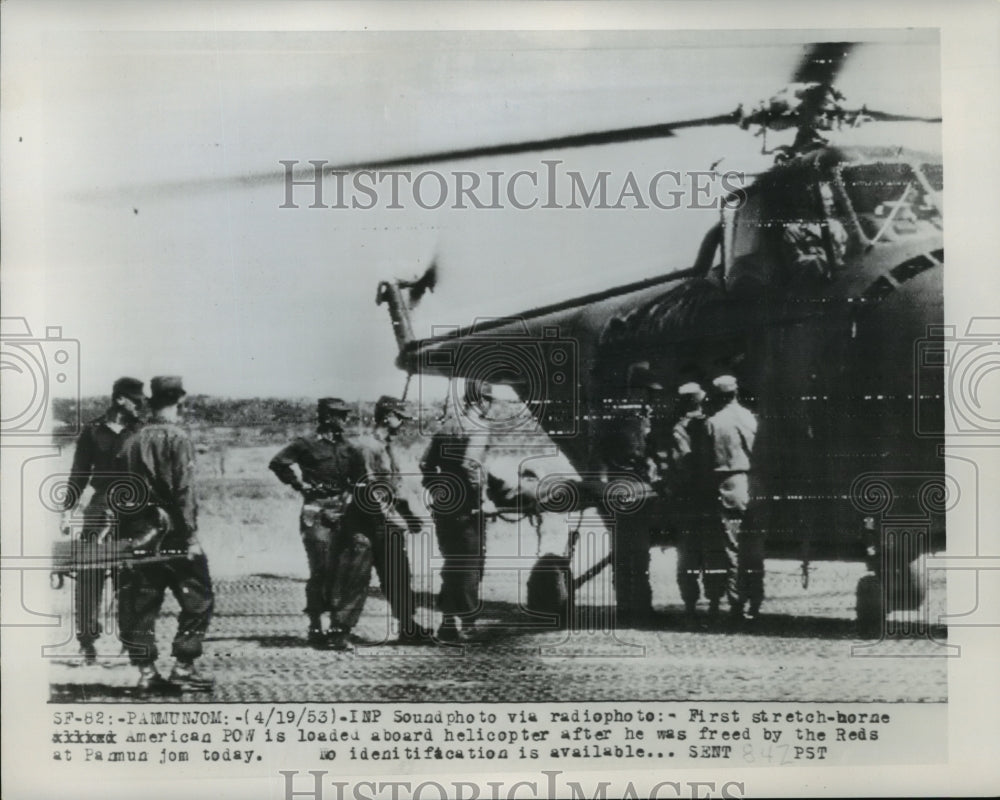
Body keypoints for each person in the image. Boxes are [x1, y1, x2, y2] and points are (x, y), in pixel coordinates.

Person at [115, 376, 214, 693]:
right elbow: (184, 491)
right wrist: (191, 537)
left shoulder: (131, 439)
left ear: (151, 402)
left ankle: (146, 672)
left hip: (137, 532)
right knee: (198, 597)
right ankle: (183, 666)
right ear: (179, 402)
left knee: (140, 602)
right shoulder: (178, 438)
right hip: (173, 534)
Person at [269, 397, 375, 651]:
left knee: (356, 564)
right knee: (322, 568)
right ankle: (315, 623)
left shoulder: (350, 448)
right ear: (326, 417)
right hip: (316, 510)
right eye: (340, 415)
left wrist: (352, 500)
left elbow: (361, 480)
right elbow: (278, 463)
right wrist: (299, 485)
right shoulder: (306, 444)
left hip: (345, 511)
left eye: (346, 415)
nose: (345, 420)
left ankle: (340, 628)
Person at [60, 377, 146, 664]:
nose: (140, 405)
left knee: (131, 577)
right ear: (120, 399)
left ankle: (131, 641)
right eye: (136, 400)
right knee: (89, 575)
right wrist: (67, 510)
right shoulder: (93, 430)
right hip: (98, 509)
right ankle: (87, 642)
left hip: (134, 510)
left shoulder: (142, 430)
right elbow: (79, 473)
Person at [347, 395, 433, 644]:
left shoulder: (387, 446)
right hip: (371, 521)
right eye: (400, 418)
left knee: (399, 574)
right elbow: (370, 487)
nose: (403, 423)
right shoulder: (368, 446)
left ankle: (408, 626)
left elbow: (395, 485)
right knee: (357, 577)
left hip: (388, 521)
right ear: (387, 417)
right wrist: (390, 518)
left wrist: (409, 516)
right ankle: (340, 630)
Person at [419, 379, 497, 642]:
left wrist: (438, 490)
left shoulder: (447, 426)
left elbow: (425, 464)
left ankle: (448, 622)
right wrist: (482, 500)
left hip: (445, 508)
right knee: (470, 565)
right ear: (480, 401)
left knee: (451, 563)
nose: (490, 405)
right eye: (489, 400)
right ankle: (467, 625)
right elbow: (470, 465)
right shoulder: (479, 427)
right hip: (468, 509)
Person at [668, 382, 725, 624]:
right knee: (713, 551)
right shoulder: (712, 424)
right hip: (712, 497)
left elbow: (680, 463)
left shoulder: (679, 429)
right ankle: (715, 602)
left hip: (688, 499)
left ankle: (690, 605)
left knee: (688, 554)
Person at [706, 375, 760, 621]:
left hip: (727, 485)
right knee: (754, 547)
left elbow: (705, 458)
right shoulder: (750, 417)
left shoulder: (714, 422)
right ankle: (755, 600)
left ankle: (737, 602)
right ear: (736, 393)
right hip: (753, 484)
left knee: (732, 548)